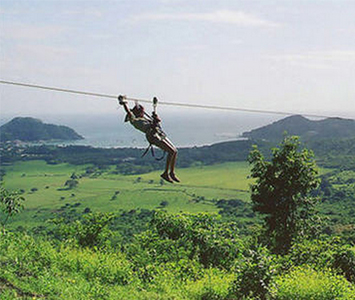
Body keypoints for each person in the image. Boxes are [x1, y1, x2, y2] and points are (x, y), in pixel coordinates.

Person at [118, 95, 180, 183]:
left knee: (174, 151)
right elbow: (128, 112)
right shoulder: (135, 120)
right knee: (171, 151)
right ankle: (166, 173)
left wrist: (155, 117)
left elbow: (155, 123)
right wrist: (124, 103)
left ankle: (172, 173)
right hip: (153, 136)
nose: (143, 112)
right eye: (141, 111)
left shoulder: (144, 118)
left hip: (157, 133)